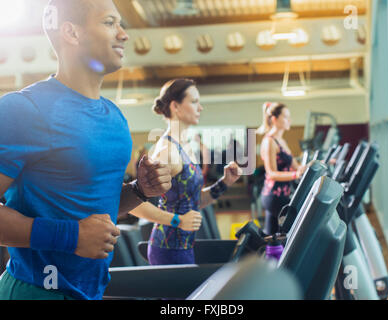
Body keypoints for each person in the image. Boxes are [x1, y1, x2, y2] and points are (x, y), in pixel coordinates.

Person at [0, 0, 200, 300]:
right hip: (36, 291)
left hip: (91, 290)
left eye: (121, 24)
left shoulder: (114, 117)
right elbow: (77, 230)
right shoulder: (24, 109)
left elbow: (95, 208)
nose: (124, 34)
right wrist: (71, 236)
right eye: (109, 22)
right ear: (71, 32)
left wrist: (139, 190)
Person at [131, 78, 242, 265]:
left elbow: (194, 201)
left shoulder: (185, 146)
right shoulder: (167, 151)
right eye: (194, 101)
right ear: (176, 106)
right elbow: (134, 204)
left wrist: (224, 183)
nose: (201, 108)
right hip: (168, 249)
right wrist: (177, 221)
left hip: (184, 246)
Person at [257, 102, 306, 235]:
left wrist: (322, 162)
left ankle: (270, 256)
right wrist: (295, 175)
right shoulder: (269, 141)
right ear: (274, 119)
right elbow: (271, 173)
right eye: (285, 117)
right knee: (294, 231)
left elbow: (297, 167)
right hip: (274, 196)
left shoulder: (281, 141)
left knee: (272, 238)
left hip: (282, 194)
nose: (289, 120)